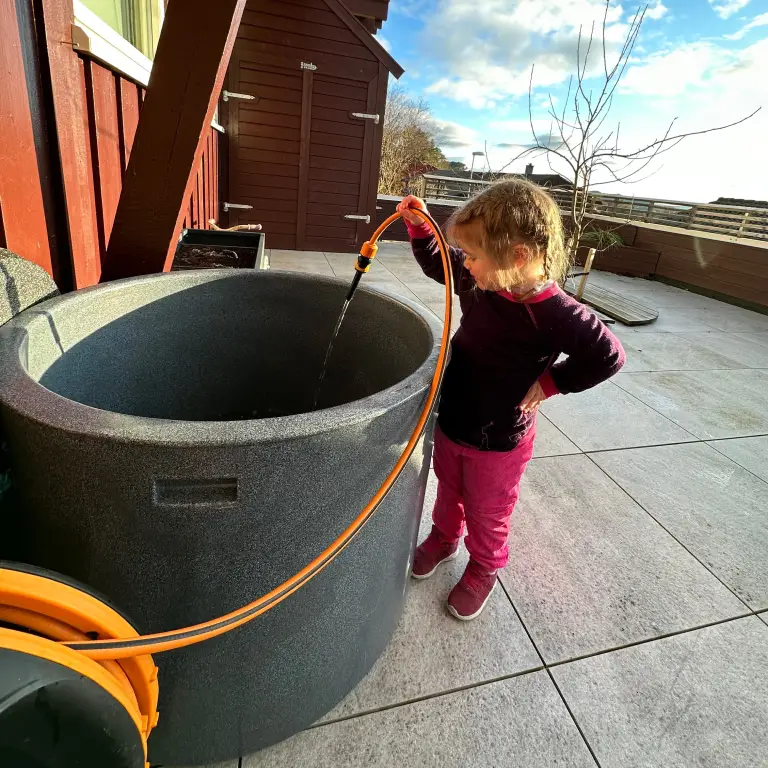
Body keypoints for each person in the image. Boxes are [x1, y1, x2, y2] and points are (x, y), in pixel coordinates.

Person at [397, 180, 625, 621]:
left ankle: (484, 566)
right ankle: (445, 536)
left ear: (518, 256)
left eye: (475, 256)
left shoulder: (556, 312)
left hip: (501, 437)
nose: (466, 264)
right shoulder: (486, 278)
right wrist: (421, 229)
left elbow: (608, 354)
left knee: (489, 507)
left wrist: (554, 382)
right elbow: (440, 264)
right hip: (456, 416)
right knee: (450, 487)